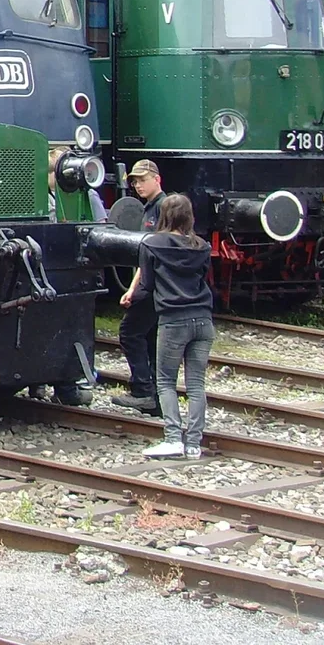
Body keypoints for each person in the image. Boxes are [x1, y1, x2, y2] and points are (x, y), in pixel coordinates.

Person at [121, 194, 214, 459]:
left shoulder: (152, 244)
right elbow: (202, 278)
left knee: (165, 382)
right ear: (189, 216)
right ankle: (194, 443)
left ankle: (173, 438)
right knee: (196, 384)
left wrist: (130, 298)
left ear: (163, 215)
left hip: (174, 320)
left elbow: (147, 286)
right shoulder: (202, 246)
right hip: (204, 320)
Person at [110, 160, 163, 414]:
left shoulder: (162, 209)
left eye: (143, 180)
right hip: (151, 283)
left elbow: (153, 253)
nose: (138, 185)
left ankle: (144, 390)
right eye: (135, 181)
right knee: (149, 336)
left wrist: (134, 288)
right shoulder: (149, 209)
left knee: (130, 332)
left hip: (154, 285)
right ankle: (156, 393)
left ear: (157, 179)